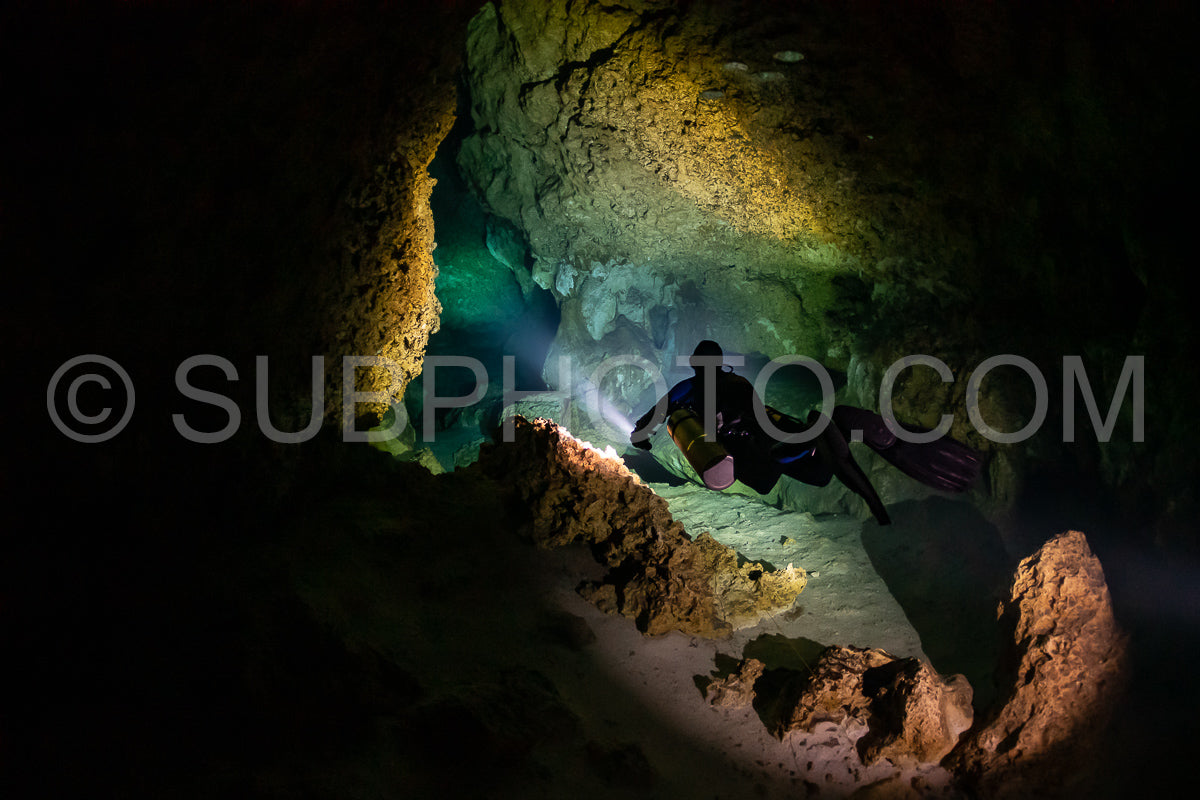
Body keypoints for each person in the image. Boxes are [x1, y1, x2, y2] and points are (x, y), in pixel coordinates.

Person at [630, 341, 983, 525]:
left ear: (695, 364)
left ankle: (867, 474)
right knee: (826, 433)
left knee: (815, 447)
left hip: (765, 459)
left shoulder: (686, 390)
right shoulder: (737, 380)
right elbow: (758, 412)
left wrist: (642, 437)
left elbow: (649, 421)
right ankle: (880, 458)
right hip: (784, 441)